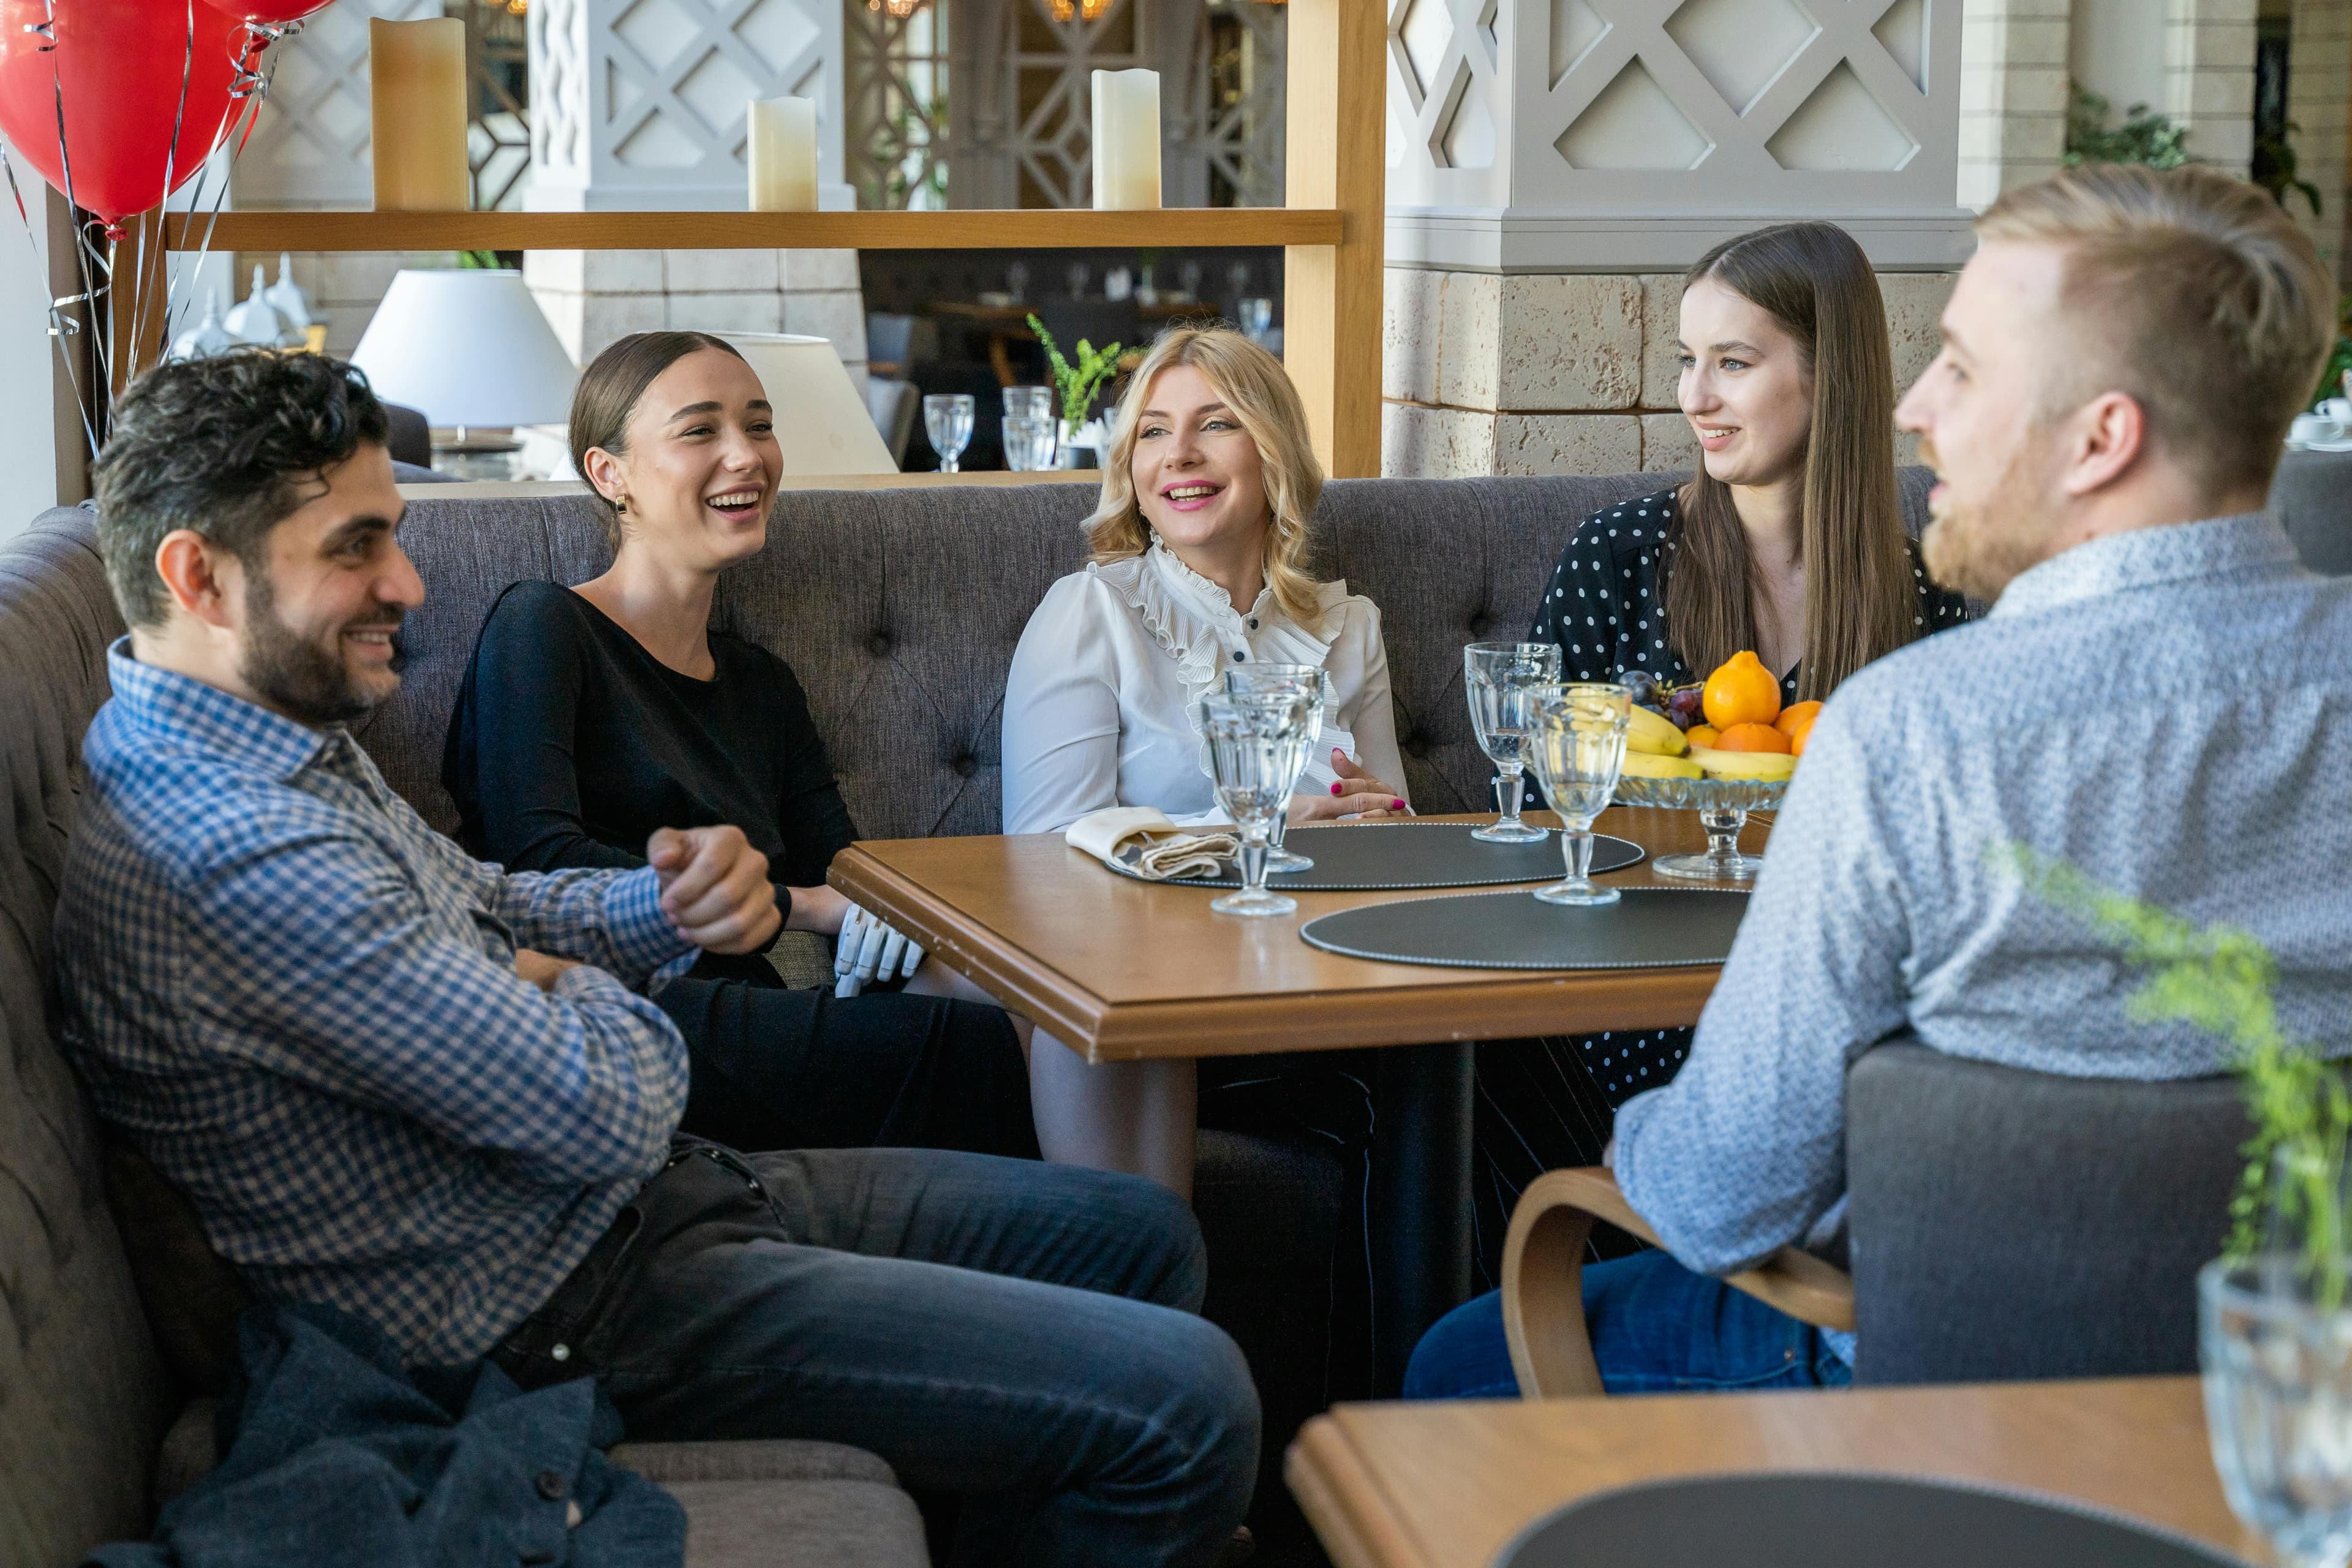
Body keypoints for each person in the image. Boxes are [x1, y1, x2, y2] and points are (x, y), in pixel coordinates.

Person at [55, 348, 1259, 1567]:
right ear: (198, 575)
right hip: (561, 1303)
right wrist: (566, 985)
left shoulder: (268, 741)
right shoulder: (233, 850)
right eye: (356, 547)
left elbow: (488, 893)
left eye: (396, 536)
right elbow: (610, 1103)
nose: (410, 582)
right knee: (1192, 1398)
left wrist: (655, 909)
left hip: (645, 1205)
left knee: (1141, 1232)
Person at [1408, 163, 2352, 1398]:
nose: (1914, 406)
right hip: (2297, 1385)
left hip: (1942, 1385)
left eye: (1962, 368)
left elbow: (1718, 1193)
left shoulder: (1916, 732)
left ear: (2102, 436)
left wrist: (1636, 1146)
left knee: (1455, 1364)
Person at [1474, 221, 1973, 1278]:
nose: (1696, 396)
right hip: (1630, 999)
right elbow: (1528, 796)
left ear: (1831, 375)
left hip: (1831, 1015)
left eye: (1734, 364)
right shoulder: (1621, 555)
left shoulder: (1931, 584)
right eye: (1687, 362)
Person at [445, 331, 1036, 1162]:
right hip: (616, 1010)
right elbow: (536, 858)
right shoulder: (543, 624)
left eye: (759, 426)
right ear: (609, 474)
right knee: (976, 1048)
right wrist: (806, 907)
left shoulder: (762, 682)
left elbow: (847, 870)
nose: (746, 456)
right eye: (700, 431)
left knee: (1027, 1006)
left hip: (760, 1001)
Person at [999, 325, 1411, 1199]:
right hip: (1154, 986)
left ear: (1274, 454)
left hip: (1322, 980)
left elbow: (1400, 846)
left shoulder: (1349, 627)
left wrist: (1378, 824)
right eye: (1152, 431)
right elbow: (1040, 862)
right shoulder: (1090, 613)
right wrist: (1250, 832)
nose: (1178, 453)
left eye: (1215, 424)